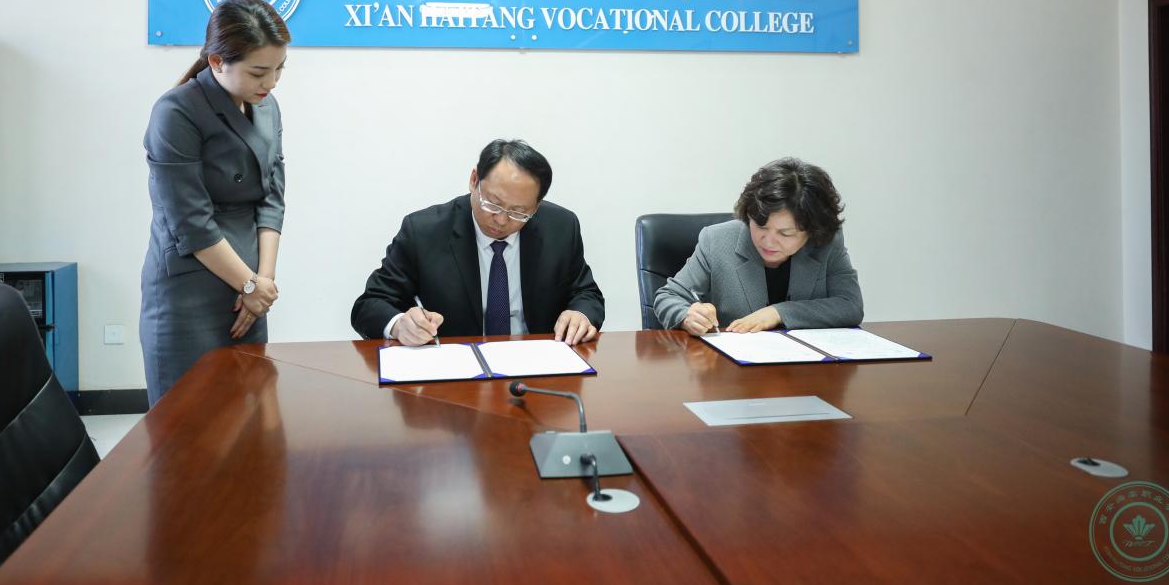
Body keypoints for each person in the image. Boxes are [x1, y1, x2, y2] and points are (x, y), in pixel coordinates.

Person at [140, 0, 290, 405]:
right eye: (259, 71)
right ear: (217, 61)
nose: (272, 82)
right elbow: (191, 222)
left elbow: (272, 198)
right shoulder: (176, 111)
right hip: (191, 285)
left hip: (250, 287)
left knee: (251, 413)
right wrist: (249, 283)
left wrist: (263, 284)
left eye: (279, 68)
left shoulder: (266, 106)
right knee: (188, 420)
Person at [351, 139, 605, 346]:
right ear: (474, 180)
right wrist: (399, 325)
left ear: (536, 206)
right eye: (492, 203)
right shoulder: (424, 231)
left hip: (537, 365)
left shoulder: (560, 227)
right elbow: (370, 304)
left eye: (519, 212)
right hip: (456, 368)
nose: (501, 220)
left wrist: (580, 313)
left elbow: (586, 293)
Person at [653, 158, 862, 335]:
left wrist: (778, 312)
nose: (768, 241)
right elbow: (668, 297)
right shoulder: (716, 240)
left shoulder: (826, 242)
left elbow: (850, 305)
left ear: (813, 231)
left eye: (785, 233)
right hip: (732, 366)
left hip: (806, 366)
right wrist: (686, 315)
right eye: (760, 226)